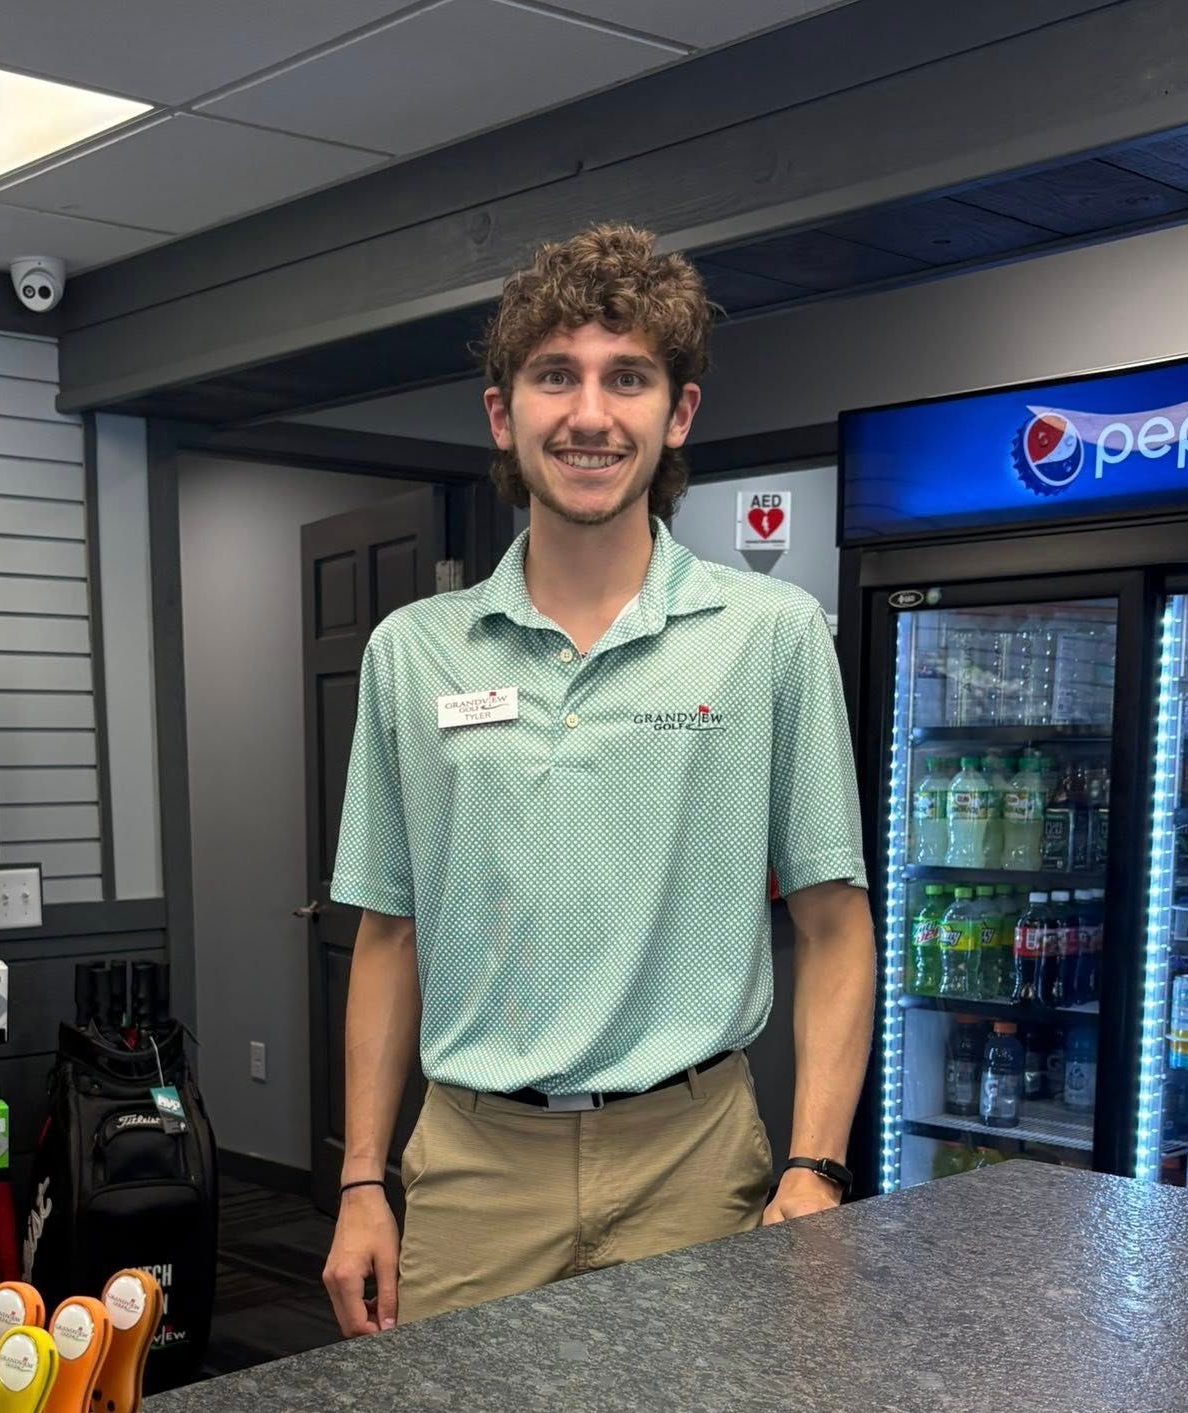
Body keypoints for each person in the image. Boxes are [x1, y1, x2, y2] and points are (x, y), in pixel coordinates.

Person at [322, 222, 875, 1337]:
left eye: (628, 377)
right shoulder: (411, 651)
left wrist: (815, 1163)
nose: (588, 413)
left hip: (696, 1157)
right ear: (503, 413)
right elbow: (389, 937)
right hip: (473, 1165)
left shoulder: (770, 635)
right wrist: (362, 1181)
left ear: (677, 413)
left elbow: (834, 923)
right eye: (554, 376)